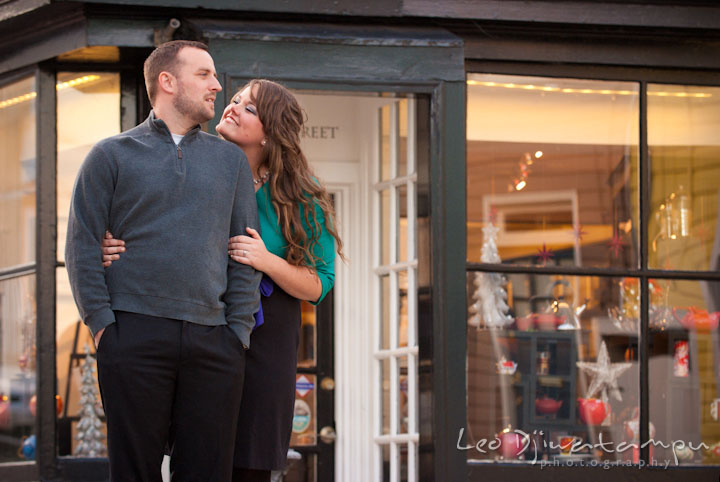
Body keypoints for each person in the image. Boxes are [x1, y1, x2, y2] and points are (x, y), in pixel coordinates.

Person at [102, 79, 344, 482]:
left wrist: (267, 261)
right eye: (234, 100)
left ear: (272, 132)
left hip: (265, 338)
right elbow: (155, 228)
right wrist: (111, 247)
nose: (232, 108)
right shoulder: (196, 168)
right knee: (193, 457)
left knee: (247, 458)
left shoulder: (301, 197)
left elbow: (319, 284)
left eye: (250, 108)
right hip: (201, 327)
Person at [65, 40, 261, 481]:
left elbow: (242, 250)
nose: (216, 85)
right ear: (167, 82)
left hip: (215, 341)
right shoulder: (110, 156)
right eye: (204, 74)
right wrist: (103, 327)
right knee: (134, 472)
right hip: (132, 334)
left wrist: (238, 334)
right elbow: (81, 245)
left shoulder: (230, 162)